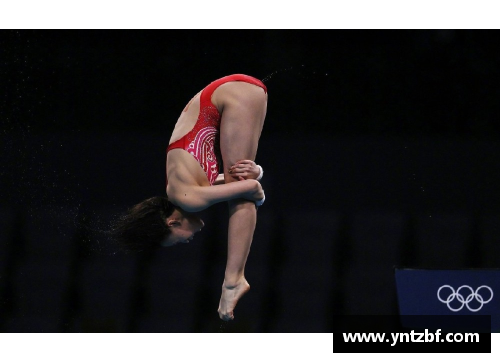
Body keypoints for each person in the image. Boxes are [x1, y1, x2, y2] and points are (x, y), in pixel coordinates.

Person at [112, 74, 268, 321]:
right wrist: (256, 173)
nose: (187, 241)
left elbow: (251, 190)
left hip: (231, 94)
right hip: (226, 92)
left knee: (240, 198)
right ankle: (232, 280)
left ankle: (232, 280)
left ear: (171, 223)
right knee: (237, 181)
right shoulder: (181, 190)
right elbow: (245, 181)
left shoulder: (187, 199)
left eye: (177, 241)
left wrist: (254, 187)